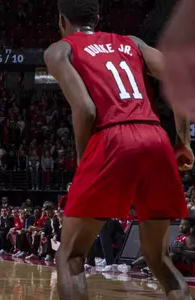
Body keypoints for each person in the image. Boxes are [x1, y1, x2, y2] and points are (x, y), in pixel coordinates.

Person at [44, 1, 193, 299]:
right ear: (98, 18)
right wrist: (183, 142)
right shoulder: (132, 43)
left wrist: (85, 159)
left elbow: (85, 109)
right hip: (155, 138)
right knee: (159, 260)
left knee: (71, 256)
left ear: (62, 21)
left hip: (113, 139)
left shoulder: (60, 50)